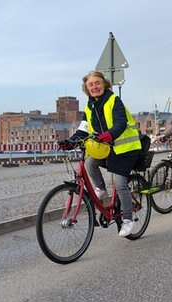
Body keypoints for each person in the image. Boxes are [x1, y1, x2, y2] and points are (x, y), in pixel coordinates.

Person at [59, 71, 142, 237]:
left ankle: (127, 219)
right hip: (106, 147)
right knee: (90, 163)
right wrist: (70, 141)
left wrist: (108, 135)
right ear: (87, 89)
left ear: (104, 84)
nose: (94, 87)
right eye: (91, 85)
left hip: (125, 148)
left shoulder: (113, 100)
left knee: (120, 183)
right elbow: (84, 129)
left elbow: (120, 123)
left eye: (97, 83)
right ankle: (101, 189)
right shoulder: (89, 107)